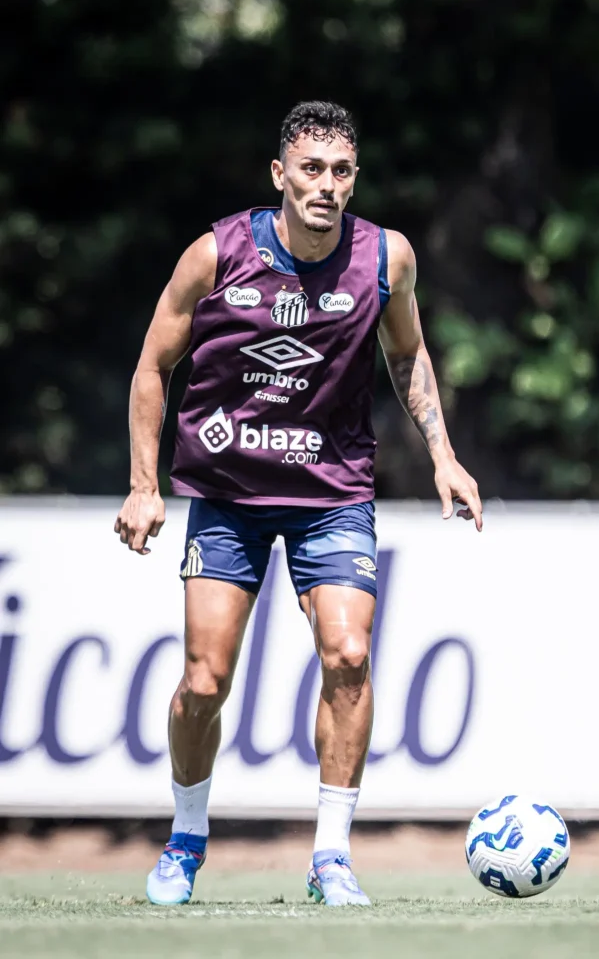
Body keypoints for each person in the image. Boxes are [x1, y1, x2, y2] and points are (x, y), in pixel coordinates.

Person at [114, 101, 482, 907]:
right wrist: (145, 485)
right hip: (229, 493)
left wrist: (444, 457)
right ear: (280, 174)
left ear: (355, 179)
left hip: (332, 493)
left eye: (341, 171)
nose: (326, 185)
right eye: (311, 169)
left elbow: (409, 355)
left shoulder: (386, 257)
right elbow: (151, 367)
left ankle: (331, 858)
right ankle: (185, 840)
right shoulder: (216, 254)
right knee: (205, 681)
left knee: (349, 655)